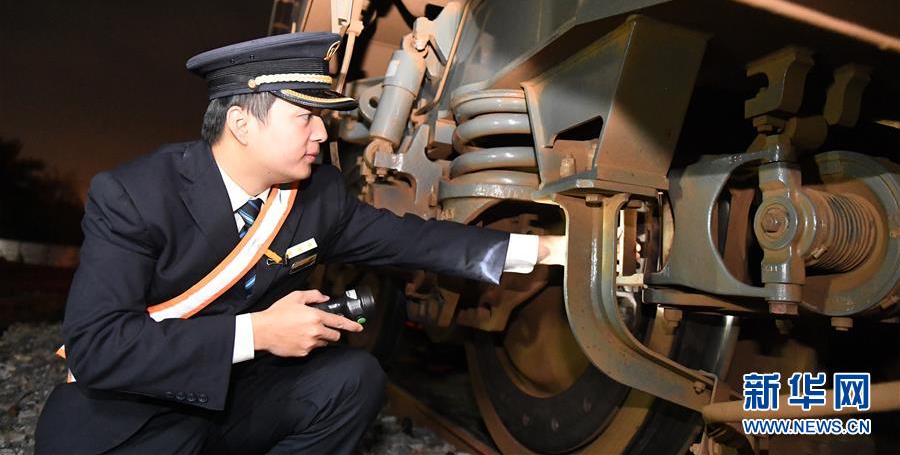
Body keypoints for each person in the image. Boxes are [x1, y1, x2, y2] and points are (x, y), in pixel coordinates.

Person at [35, 32, 564, 454]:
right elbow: (98, 346)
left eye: (322, 119)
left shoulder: (318, 196)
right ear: (241, 124)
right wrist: (259, 332)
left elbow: (409, 239)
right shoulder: (135, 195)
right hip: (139, 410)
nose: (322, 135)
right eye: (305, 117)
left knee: (353, 379)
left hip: (233, 400)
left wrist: (538, 250)